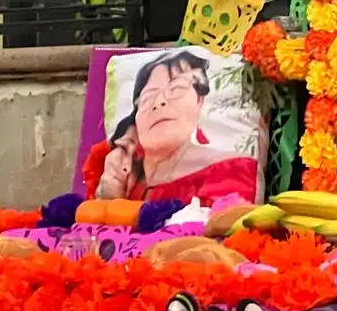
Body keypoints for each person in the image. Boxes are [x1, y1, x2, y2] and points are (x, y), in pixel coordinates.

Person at [110, 50, 260, 204]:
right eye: (148, 97)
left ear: (199, 101)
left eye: (177, 89)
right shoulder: (121, 174)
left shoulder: (231, 169)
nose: (159, 101)